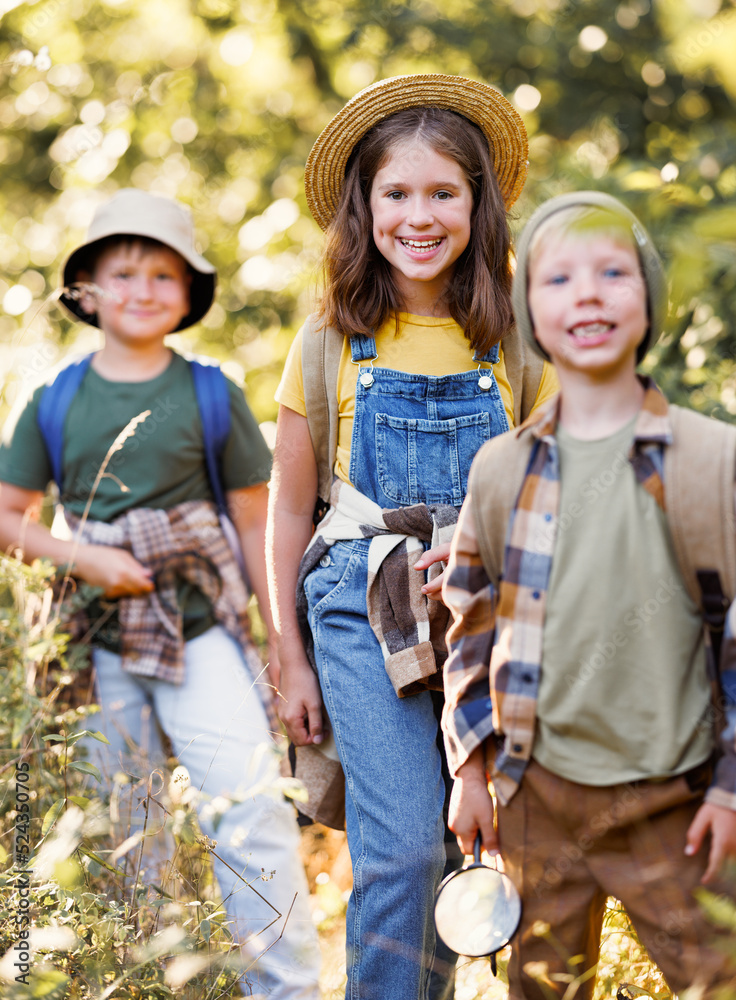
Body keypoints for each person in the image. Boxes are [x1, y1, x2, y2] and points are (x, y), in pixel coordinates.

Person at [266, 74, 558, 1000]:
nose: (419, 215)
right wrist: (290, 657)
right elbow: (288, 509)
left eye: (443, 193)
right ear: (365, 205)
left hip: (492, 617)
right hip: (363, 601)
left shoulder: (518, 343)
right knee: (401, 849)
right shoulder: (326, 340)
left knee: (485, 845)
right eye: (396, 193)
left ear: (480, 205)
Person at [0, 189, 321, 999]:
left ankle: (284, 988)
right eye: (123, 273)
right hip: (99, 643)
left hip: (203, 630)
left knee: (248, 810)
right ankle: (147, 979)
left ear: (187, 293)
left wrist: (285, 651)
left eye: (162, 274)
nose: (142, 289)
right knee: (125, 824)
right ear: (86, 292)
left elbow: (257, 528)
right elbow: (9, 518)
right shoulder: (55, 400)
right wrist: (86, 558)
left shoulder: (211, 393)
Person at [442, 190, 736, 999]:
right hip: (541, 796)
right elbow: (471, 624)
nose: (590, 294)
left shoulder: (711, 461)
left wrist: (730, 789)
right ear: (529, 311)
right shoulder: (502, 470)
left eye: (614, 272)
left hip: (672, 796)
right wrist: (472, 768)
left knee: (719, 978)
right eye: (560, 277)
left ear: (648, 299)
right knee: (546, 989)